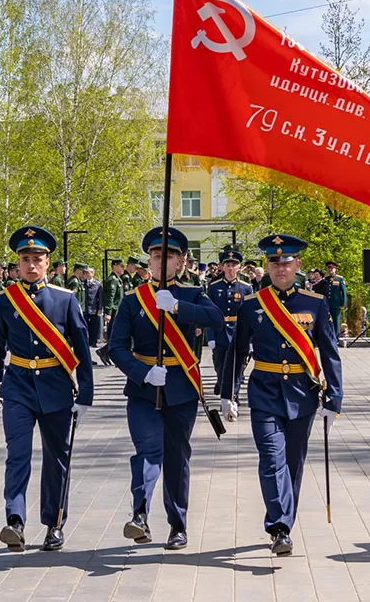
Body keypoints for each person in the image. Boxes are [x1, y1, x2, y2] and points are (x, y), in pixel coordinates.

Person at [222, 234, 343, 556]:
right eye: (274, 262)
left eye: (286, 262)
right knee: (271, 460)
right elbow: (236, 352)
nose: (280, 267)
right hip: (264, 392)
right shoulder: (252, 305)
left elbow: (330, 353)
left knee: (293, 464)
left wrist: (335, 399)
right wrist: (227, 393)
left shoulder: (314, 303)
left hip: (302, 394)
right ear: (267, 265)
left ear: (297, 265)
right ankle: (279, 527)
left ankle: (283, 522)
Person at [108, 226, 224, 551]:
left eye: (169, 255)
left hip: (181, 388)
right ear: (148, 261)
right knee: (147, 451)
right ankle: (140, 514)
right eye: (156, 255)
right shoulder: (132, 300)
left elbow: (216, 318)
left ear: (181, 262)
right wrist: (142, 372)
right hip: (144, 388)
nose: (161, 261)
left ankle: (177, 524)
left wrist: (176, 307)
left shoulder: (191, 294)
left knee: (176, 455)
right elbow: (116, 346)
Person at [0, 225, 94, 553]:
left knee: (56, 459)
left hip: (57, 388)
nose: (31, 265)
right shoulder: (3, 301)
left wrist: (85, 394)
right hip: (18, 386)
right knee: (17, 455)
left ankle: (54, 524)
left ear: (48, 263)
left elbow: (82, 347)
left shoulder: (65, 299)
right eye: (25, 259)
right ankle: (14, 521)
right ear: (17, 263)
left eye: (37, 259)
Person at [206, 245, 253, 406]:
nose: (231, 268)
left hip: (239, 331)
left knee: (238, 366)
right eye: (228, 265)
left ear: (239, 267)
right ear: (222, 267)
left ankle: (233, 395)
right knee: (220, 366)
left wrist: (252, 338)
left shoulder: (246, 288)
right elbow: (209, 312)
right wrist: (210, 336)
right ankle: (223, 385)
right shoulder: (214, 287)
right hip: (219, 331)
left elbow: (250, 314)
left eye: (234, 265)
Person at [96, 259, 125, 365]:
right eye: (121, 266)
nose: (123, 268)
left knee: (116, 334)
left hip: (117, 310)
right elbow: (110, 297)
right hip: (113, 312)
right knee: (115, 334)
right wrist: (108, 312)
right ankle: (104, 351)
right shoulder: (112, 280)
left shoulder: (117, 279)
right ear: (115, 266)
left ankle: (105, 352)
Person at [323, 261, 348, 339]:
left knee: (336, 322)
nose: (330, 270)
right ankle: (328, 337)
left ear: (335, 269)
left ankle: (336, 338)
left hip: (336, 304)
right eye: (329, 268)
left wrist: (343, 303)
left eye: (332, 268)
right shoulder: (325, 279)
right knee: (326, 321)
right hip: (327, 304)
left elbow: (343, 292)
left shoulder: (340, 279)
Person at [83, 267, 103, 347]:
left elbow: (100, 297)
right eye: (87, 273)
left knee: (94, 326)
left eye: (90, 272)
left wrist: (100, 308)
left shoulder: (97, 284)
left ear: (93, 274)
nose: (88, 274)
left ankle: (93, 341)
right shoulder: (82, 283)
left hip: (94, 308)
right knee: (85, 325)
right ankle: (86, 342)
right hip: (85, 308)